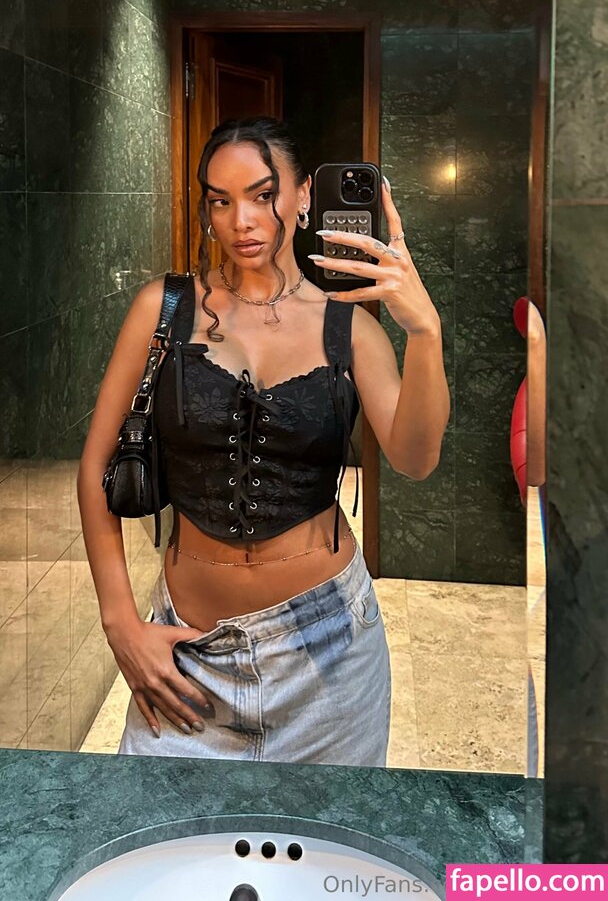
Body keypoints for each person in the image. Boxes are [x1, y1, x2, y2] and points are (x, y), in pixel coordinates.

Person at [77, 116, 450, 766]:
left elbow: (415, 459)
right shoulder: (164, 310)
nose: (241, 221)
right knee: (161, 825)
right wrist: (121, 624)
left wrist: (425, 333)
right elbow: (95, 469)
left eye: (262, 194)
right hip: (190, 651)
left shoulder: (350, 329)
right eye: (220, 201)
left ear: (303, 197)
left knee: (321, 830)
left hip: (330, 655)